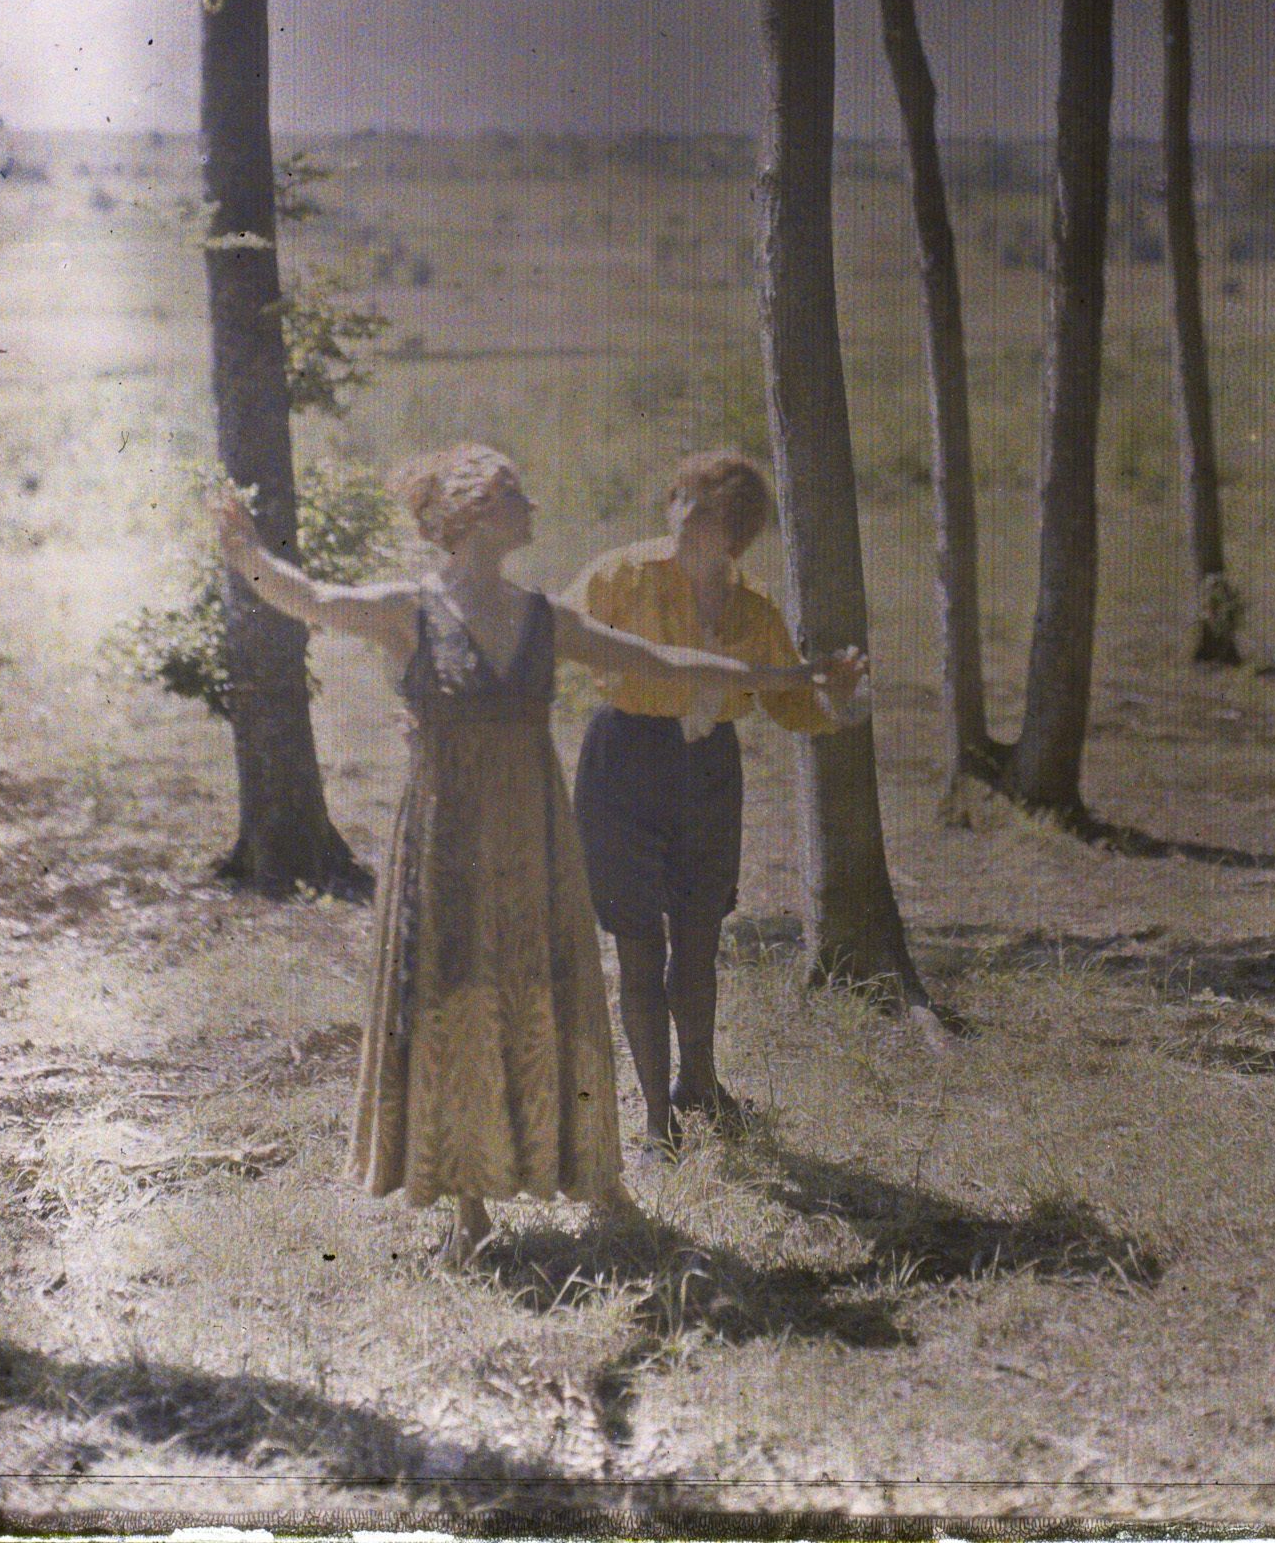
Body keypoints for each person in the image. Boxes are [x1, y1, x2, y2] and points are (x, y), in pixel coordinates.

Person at [214, 443, 827, 1267]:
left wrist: (795, 674)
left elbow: (659, 661)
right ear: (474, 514)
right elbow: (313, 600)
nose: (534, 508)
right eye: (517, 497)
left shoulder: (544, 616)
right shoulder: (410, 609)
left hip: (538, 837)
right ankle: (467, 1210)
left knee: (557, 999)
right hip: (446, 839)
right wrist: (247, 554)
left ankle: (599, 1178)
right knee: (457, 1004)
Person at [567, 449, 869, 1158]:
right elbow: (558, 635)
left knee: (699, 942)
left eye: (700, 509)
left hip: (707, 772)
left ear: (733, 532)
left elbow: (796, 708)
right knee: (638, 947)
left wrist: (842, 700)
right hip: (623, 762)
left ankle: (698, 1087)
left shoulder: (755, 607)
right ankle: (653, 1124)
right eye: (677, 500)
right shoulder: (622, 574)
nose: (681, 517)